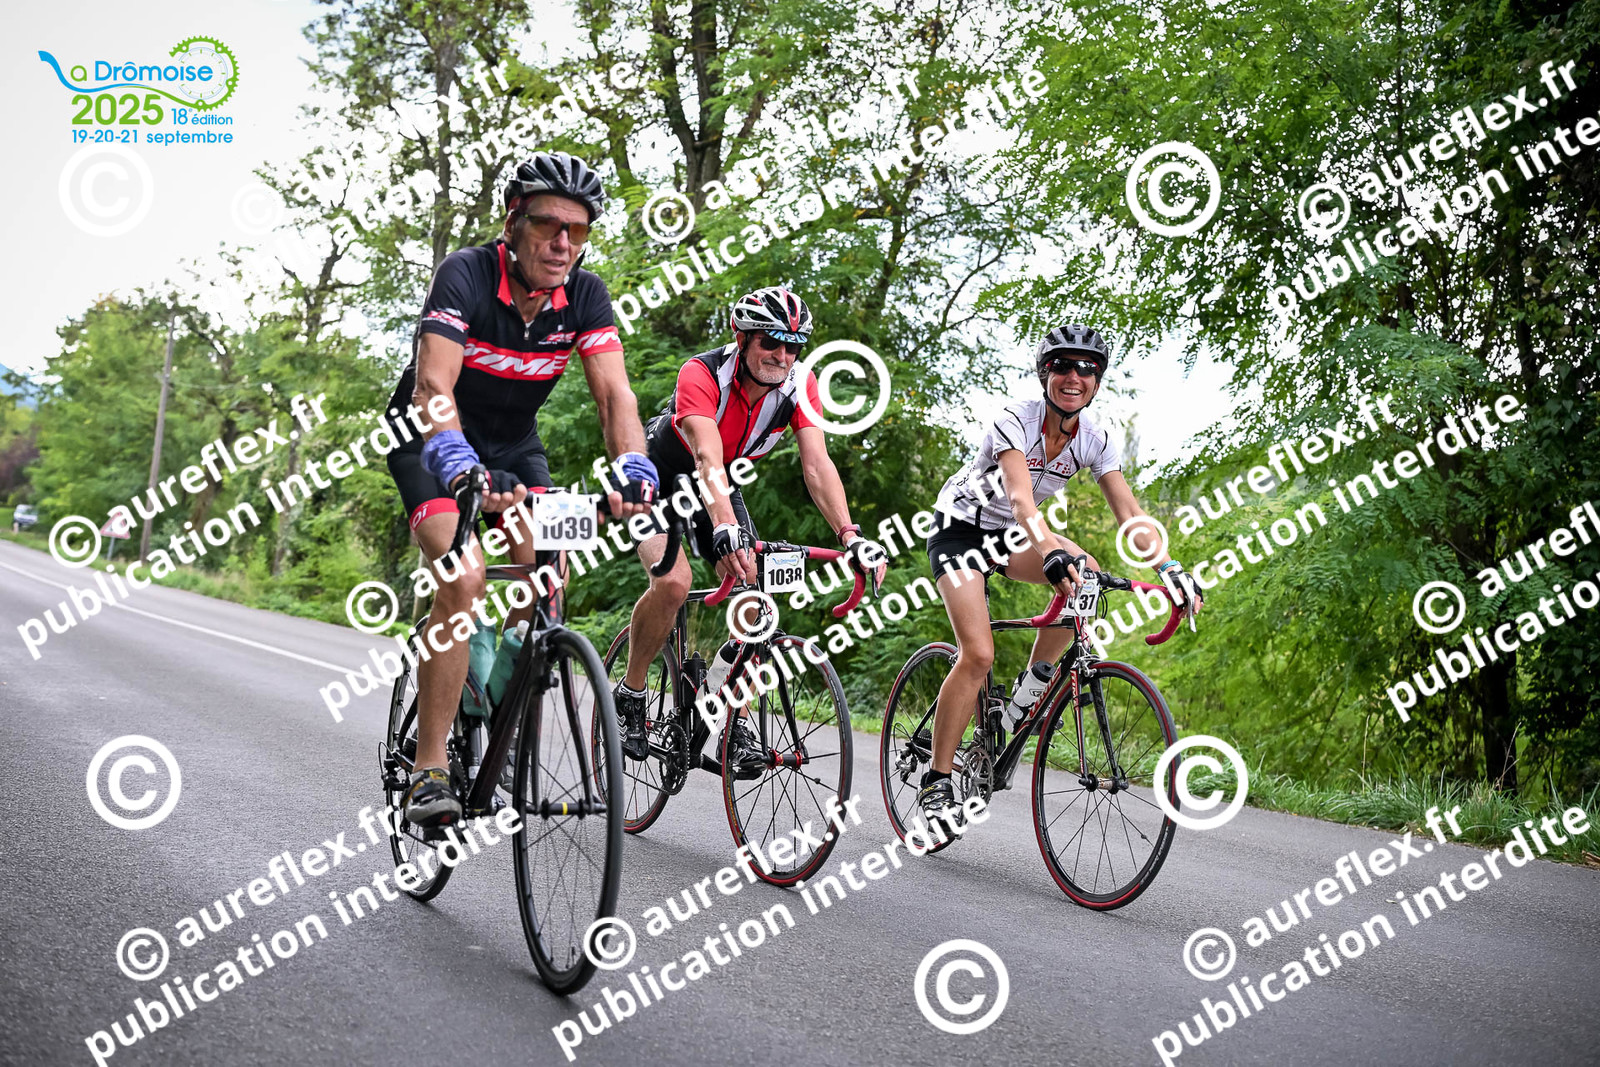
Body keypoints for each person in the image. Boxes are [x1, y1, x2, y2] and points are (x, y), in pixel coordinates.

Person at [385, 151, 659, 829]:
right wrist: (456, 459)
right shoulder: (466, 274)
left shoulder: (585, 296)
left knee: (547, 578)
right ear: (513, 221)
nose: (563, 242)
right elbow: (432, 384)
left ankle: (495, 703)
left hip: (514, 448)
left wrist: (634, 467)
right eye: (548, 224)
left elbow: (615, 396)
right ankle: (429, 770)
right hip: (431, 439)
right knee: (465, 577)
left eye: (578, 230)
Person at [918, 323, 1203, 836]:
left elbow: (1130, 514)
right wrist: (1049, 551)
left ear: (1098, 381)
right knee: (978, 654)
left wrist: (1170, 568)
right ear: (1044, 374)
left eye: (1087, 369)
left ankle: (1028, 691)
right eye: (1062, 366)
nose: (1074, 376)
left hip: (1011, 534)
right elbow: (1021, 499)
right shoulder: (1015, 420)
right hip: (960, 530)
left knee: (1084, 571)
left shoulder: (1095, 438)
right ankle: (937, 780)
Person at [614, 286, 886, 774]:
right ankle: (631, 692)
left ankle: (730, 719)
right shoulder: (701, 373)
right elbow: (705, 456)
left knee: (755, 597)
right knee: (673, 583)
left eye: (793, 345)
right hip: (658, 478)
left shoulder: (801, 385)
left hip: (720, 482)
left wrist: (851, 535)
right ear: (742, 338)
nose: (782, 355)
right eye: (771, 342)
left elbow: (817, 465)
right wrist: (725, 525)